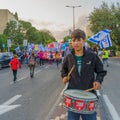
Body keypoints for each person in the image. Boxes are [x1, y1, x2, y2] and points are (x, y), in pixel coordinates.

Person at [61, 29, 107, 120]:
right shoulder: (68, 57)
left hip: (88, 96)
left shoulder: (92, 56)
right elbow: (64, 70)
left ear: (84, 41)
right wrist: (64, 77)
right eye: (74, 40)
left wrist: (98, 81)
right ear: (71, 42)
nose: (76, 43)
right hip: (73, 97)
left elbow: (101, 71)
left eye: (79, 40)